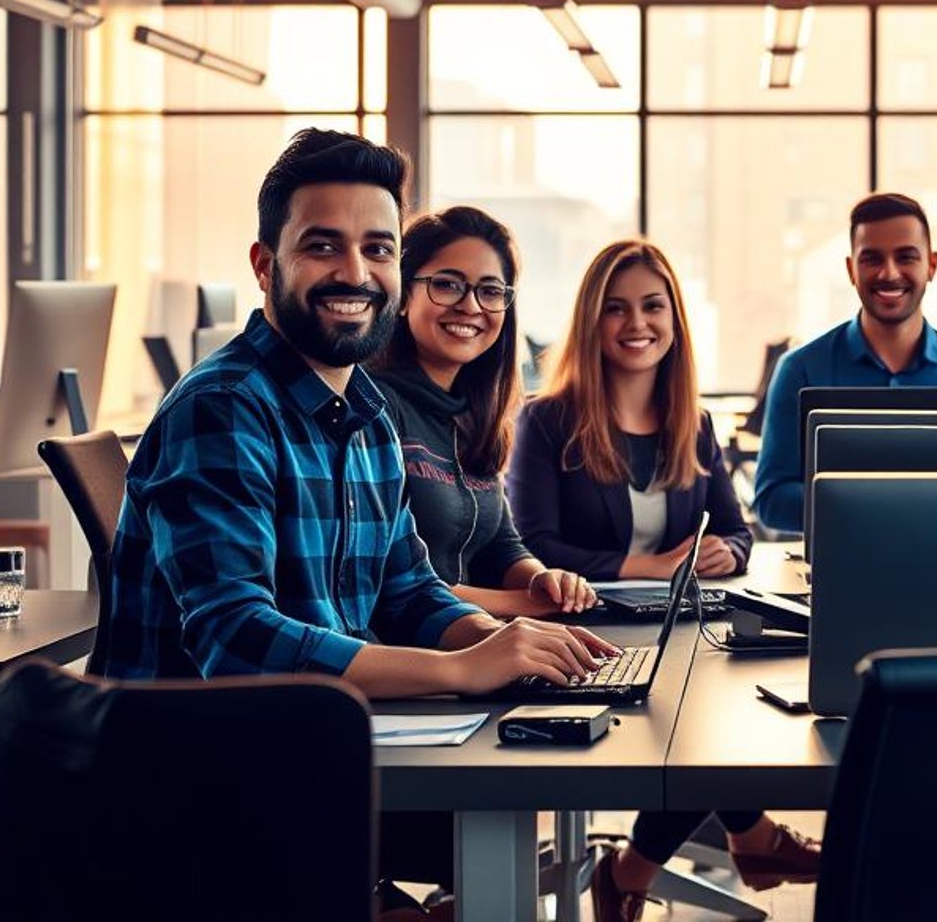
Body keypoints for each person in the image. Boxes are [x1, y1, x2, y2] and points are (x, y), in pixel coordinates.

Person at [103, 128, 615, 700]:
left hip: (323, 734)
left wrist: (499, 642)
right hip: (203, 762)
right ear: (265, 267)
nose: (355, 273)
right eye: (323, 247)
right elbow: (235, 639)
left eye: (378, 249)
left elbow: (406, 588)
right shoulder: (222, 406)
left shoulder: (366, 414)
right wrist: (460, 670)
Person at [503, 239, 816, 921]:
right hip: (587, 624)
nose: (635, 322)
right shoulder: (547, 418)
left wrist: (723, 554)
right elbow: (532, 543)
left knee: (720, 711)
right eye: (615, 308)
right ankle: (741, 838)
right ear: (592, 320)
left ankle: (656, 861)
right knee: (698, 727)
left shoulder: (693, 423)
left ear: (674, 318)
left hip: (679, 624)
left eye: (652, 305)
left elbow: (737, 527)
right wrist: (644, 566)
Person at [373, 206, 597, 618]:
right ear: (403, 296)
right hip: (416, 652)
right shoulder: (375, 408)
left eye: (490, 291)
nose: (470, 305)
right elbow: (394, 583)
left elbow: (500, 543)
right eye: (447, 284)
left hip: (478, 641)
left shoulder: (475, 410)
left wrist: (544, 581)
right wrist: (523, 604)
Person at [751, 192, 937, 533]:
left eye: (906, 257)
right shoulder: (799, 369)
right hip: (837, 571)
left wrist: (875, 503)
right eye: (872, 258)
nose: (889, 273)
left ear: (932, 265)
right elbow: (771, 501)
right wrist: (885, 508)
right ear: (850, 269)